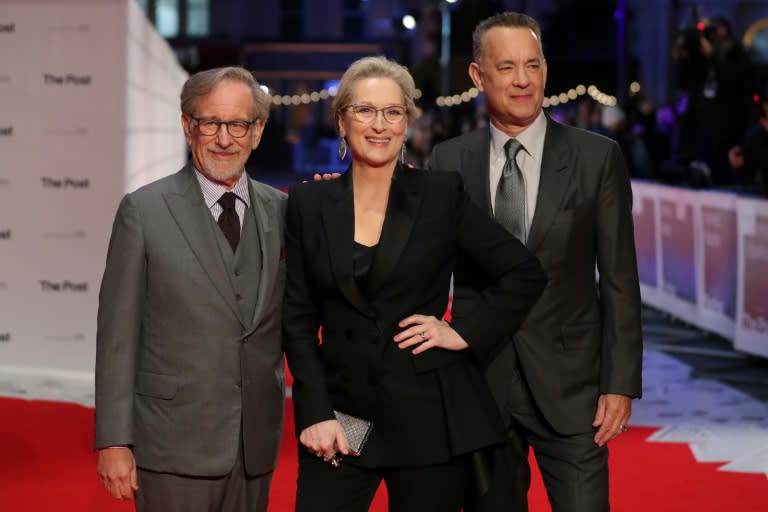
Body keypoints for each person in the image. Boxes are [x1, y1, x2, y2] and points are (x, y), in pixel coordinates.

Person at [283, 55, 546, 512]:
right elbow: (298, 318)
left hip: (425, 415)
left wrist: (462, 331)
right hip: (343, 416)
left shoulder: (440, 196)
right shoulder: (309, 202)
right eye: (364, 110)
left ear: (407, 123)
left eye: (392, 112)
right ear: (342, 120)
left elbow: (523, 272)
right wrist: (313, 413)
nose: (379, 125)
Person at [429, 12, 643, 512]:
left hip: (574, 392)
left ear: (546, 70)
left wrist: (620, 382)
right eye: (506, 67)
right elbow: (422, 264)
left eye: (532, 65)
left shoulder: (597, 158)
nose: (522, 80)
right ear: (478, 77)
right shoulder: (448, 160)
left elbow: (619, 279)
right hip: (483, 387)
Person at [94, 66, 287, 512]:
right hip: (170, 442)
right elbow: (118, 339)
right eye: (209, 123)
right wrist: (114, 441)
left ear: (257, 132)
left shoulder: (282, 211)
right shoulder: (143, 211)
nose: (224, 138)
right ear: (187, 126)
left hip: (253, 446)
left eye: (238, 124)